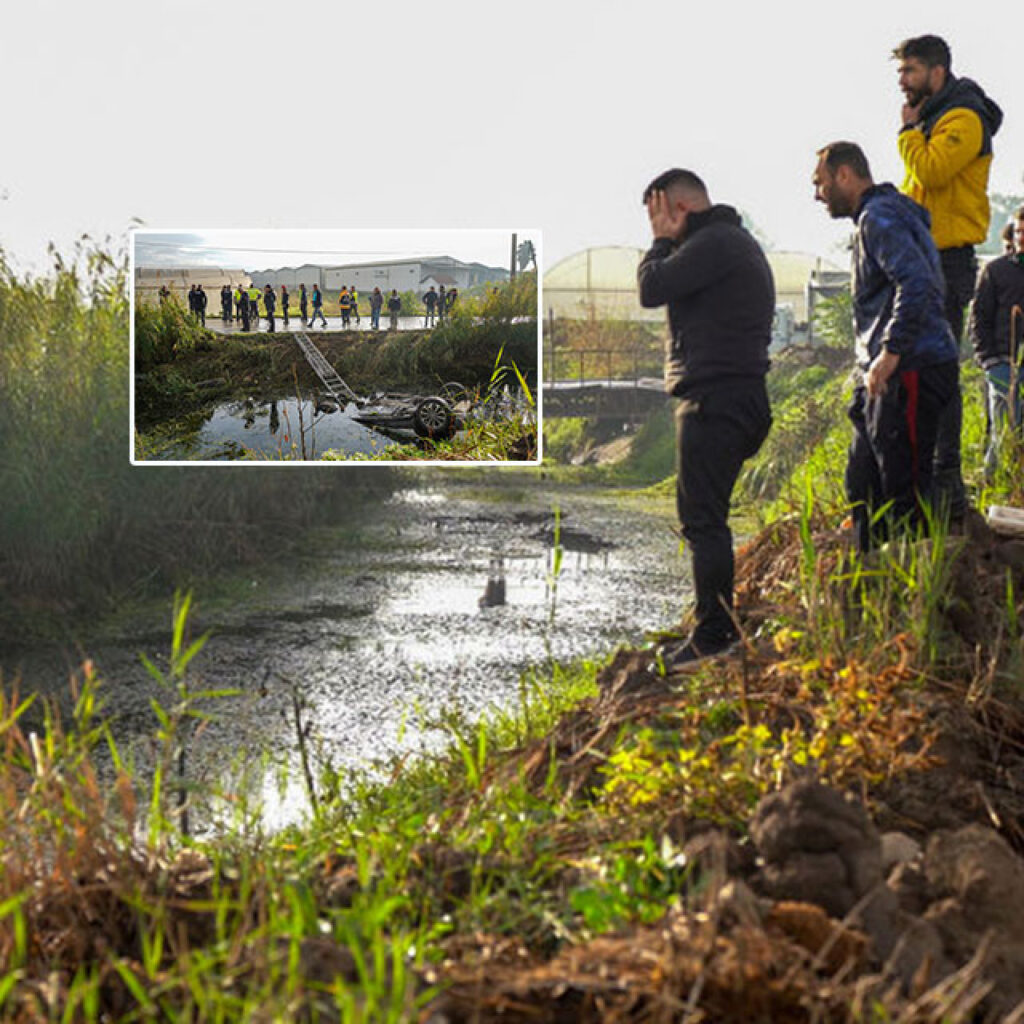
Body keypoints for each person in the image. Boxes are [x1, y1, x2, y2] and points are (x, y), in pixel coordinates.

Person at [637, 168, 774, 668]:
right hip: (731, 396)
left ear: (679, 208)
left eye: (657, 212)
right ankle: (711, 625)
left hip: (717, 399)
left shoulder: (715, 242)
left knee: (703, 521)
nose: (654, 223)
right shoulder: (725, 243)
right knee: (705, 519)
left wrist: (657, 243)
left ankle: (715, 636)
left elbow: (652, 288)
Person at [813, 141, 959, 553]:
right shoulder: (878, 217)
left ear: (845, 175)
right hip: (884, 372)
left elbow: (916, 283)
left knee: (904, 490)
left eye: (820, 183)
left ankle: (919, 593)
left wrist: (891, 351)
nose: (817, 195)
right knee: (862, 482)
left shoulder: (879, 219)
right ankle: (870, 585)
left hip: (911, 365)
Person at [893, 33, 1003, 520]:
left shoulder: (963, 119)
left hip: (949, 260)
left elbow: (934, 172)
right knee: (921, 372)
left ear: (938, 72)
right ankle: (925, 481)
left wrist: (907, 134)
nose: (903, 82)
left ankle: (947, 482)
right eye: (900, 73)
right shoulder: (935, 119)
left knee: (938, 373)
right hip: (923, 258)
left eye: (911, 71)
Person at [969, 206, 1024, 479]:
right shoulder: (996, 271)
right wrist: (988, 360)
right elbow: (978, 318)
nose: (1022, 237)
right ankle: (993, 488)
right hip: (1003, 363)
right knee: (1003, 432)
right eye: (1018, 232)